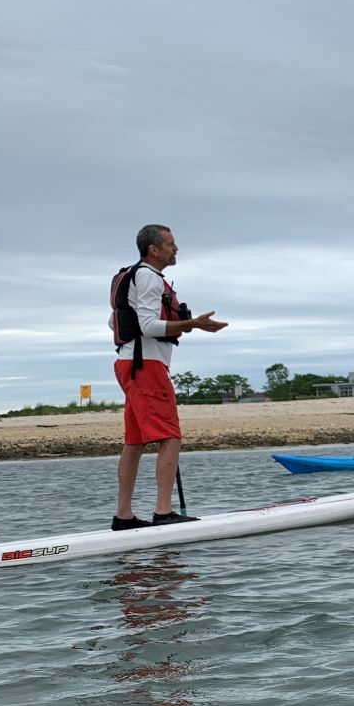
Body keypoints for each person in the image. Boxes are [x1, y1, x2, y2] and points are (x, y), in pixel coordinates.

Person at [110, 224, 227, 530]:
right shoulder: (148, 276)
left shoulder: (129, 275)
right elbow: (148, 326)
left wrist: (183, 325)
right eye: (171, 244)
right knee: (170, 436)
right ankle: (163, 511)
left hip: (128, 363)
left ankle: (123, 516)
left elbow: (114, 322)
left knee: (134, 442)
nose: (176, 249)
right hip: (146, 366)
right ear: (154, 249)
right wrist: (193, 324)